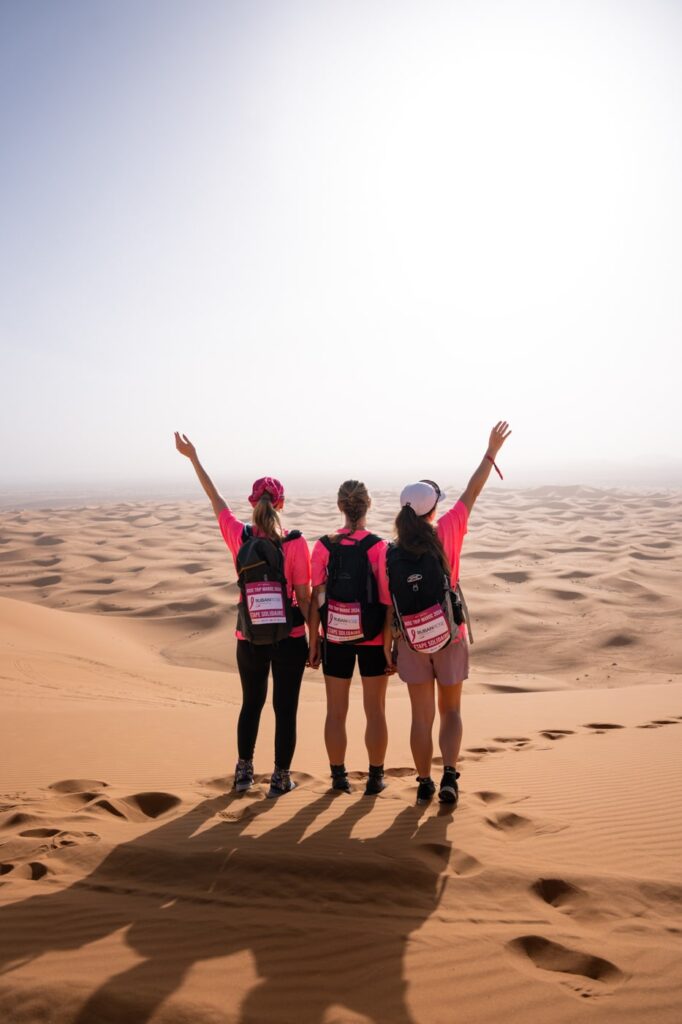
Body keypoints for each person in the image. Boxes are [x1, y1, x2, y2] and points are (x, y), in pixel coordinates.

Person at [175, 432, 311, 797]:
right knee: (285, 709)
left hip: (248, 636)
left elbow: (215, 499)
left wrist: (193, 458)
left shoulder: (238, 534)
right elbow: (304, 595)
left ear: (253, 502)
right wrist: (315, 640)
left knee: (251, 703)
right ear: (280, 505)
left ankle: (243, 773)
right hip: (290, 637)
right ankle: (281, 778)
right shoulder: (296, 543)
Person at [386, 421, 512, 806]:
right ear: (433, 508)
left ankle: (423, 782)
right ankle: (449, 779)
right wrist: (491, 452)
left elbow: (388, 599)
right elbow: (473, 490)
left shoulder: (391, 549)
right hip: (449, 632)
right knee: (451, 710)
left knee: (420, 717)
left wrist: (390, 644)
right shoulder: (450, 527)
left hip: (411, 639)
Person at [308, 480, 394, 796]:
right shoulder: (378, 546)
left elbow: (316, 597)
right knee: (376, 711)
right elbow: (386, 602)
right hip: (372, 639)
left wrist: (314, 641)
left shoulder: (322, 546)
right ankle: (375, 777)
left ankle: (338, 778)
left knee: (336, 711)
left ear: (340, 506)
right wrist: (388, 648)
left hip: (335, 638)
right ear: (367, 506)